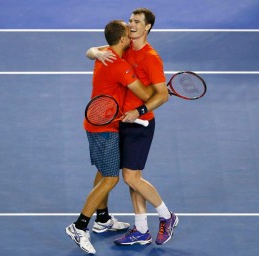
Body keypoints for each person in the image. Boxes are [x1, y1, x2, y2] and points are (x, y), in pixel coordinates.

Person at [65, 19, 167, 255]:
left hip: (96, 122)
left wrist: (93, 52)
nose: (132, 29)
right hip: (105, 128)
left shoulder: (105, 53)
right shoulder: (120, 65)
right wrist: (160, 91)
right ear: (123, 39)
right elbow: (144, 94)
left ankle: (102, 219)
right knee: (111, 178)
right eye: (128, 28)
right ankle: (79, 226)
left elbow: (90, 51)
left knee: (102, 172)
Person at [86, 8, 178, 246]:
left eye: (137, 21)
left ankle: (167, 216)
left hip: (140, 123)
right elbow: (91, 51)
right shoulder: (123, 48)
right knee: (132, 177)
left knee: (131, 177)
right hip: (121, 122)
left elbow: (162, 96)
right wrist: (96, 51)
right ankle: (141, 229)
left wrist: (140, 110)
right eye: (130, 21)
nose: (131, 24)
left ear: (147, 27)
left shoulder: (151, 58)